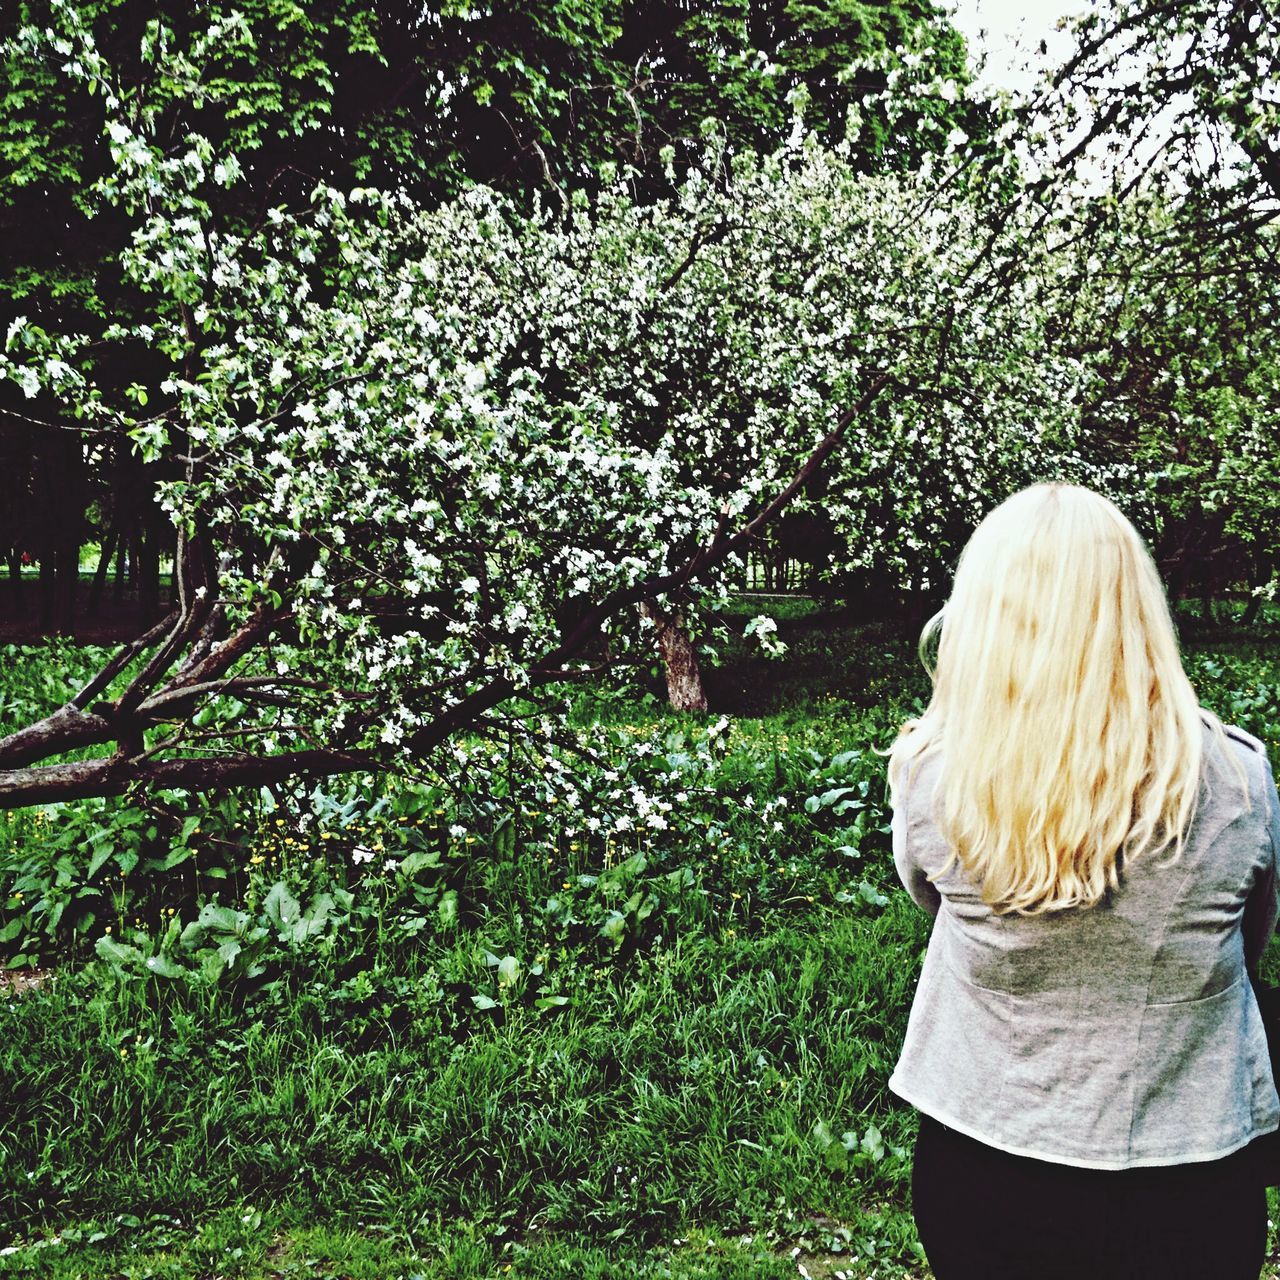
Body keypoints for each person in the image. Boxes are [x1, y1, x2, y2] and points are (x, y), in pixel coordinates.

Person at [886, 483, 1280, 1280]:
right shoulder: (1238, 783)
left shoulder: (934, 777)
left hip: (985, 1163)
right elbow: (1253, 936)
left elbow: (927, 899)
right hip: (1192, 1173)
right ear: (1139, 610)